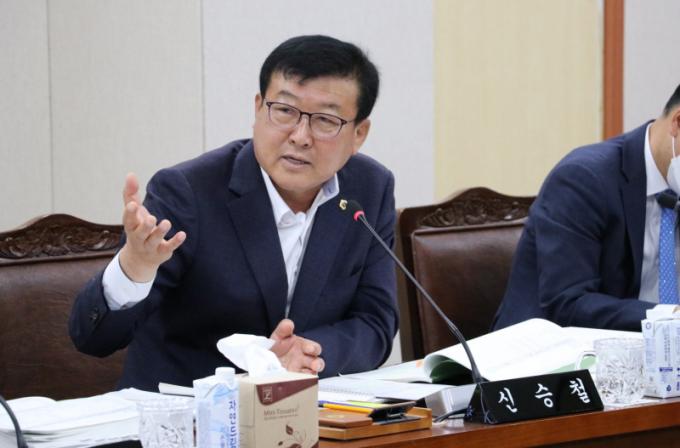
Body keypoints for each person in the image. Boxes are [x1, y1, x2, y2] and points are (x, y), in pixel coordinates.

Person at [69, 35, 399, 391]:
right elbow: (93, 339)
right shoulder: (188, 192)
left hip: (305, 414)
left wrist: (311, 353)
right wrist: (133, 269)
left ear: (359, 133)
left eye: (325, 120)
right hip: (187, 413)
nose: (300, 136)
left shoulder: (369, 189)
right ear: (258, 109)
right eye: (284, 111)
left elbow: (376, 323)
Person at [493, 83, 680, 331]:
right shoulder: (583, 179)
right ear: (677, 122)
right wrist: (670, 317)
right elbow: (568, 304)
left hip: (652, 349)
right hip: (552, 348)